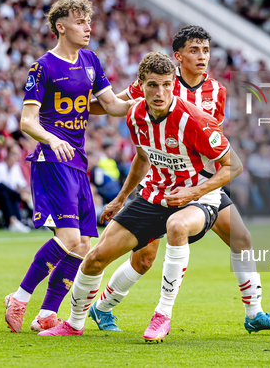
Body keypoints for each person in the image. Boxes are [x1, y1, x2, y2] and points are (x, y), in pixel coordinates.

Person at [88, 25, 270, 334]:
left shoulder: (216, 91)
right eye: (194, 50)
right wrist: (73, 107)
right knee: (143, 260)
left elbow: (213, 140)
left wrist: (205, 184)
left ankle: (254, 313)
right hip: (161, 186)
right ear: (178, 56)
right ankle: (102, 308)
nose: (202, 57)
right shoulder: (160, 84)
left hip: (202, 183)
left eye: (206, 50)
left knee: (241, 238)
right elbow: (114, 105)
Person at [38, 51, 240, 341]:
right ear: (140, 85)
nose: (161, 93)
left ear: (174, 84)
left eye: (167, 85)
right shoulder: (135, 114)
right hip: (153, 195)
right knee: (95, 258)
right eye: (153, 85)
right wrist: (120, 198)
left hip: (197, 199)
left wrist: (193, 192)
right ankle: (73, 323)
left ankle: (163, 315)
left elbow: (234, 165)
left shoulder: (195, 120)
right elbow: (143, 157)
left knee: (177, 226)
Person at [4, 0, 135, 333]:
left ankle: (47, 314)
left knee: (83, 244)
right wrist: (52, 138)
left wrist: (143, 93)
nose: (88, 27)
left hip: (76, 160)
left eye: (89, 21)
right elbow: (27, 121)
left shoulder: (91, 60)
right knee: (68, 236)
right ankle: (19, 298)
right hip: (52, 158)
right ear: (61, 27)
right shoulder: (43, 66)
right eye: (80, 22)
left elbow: (112, 106)